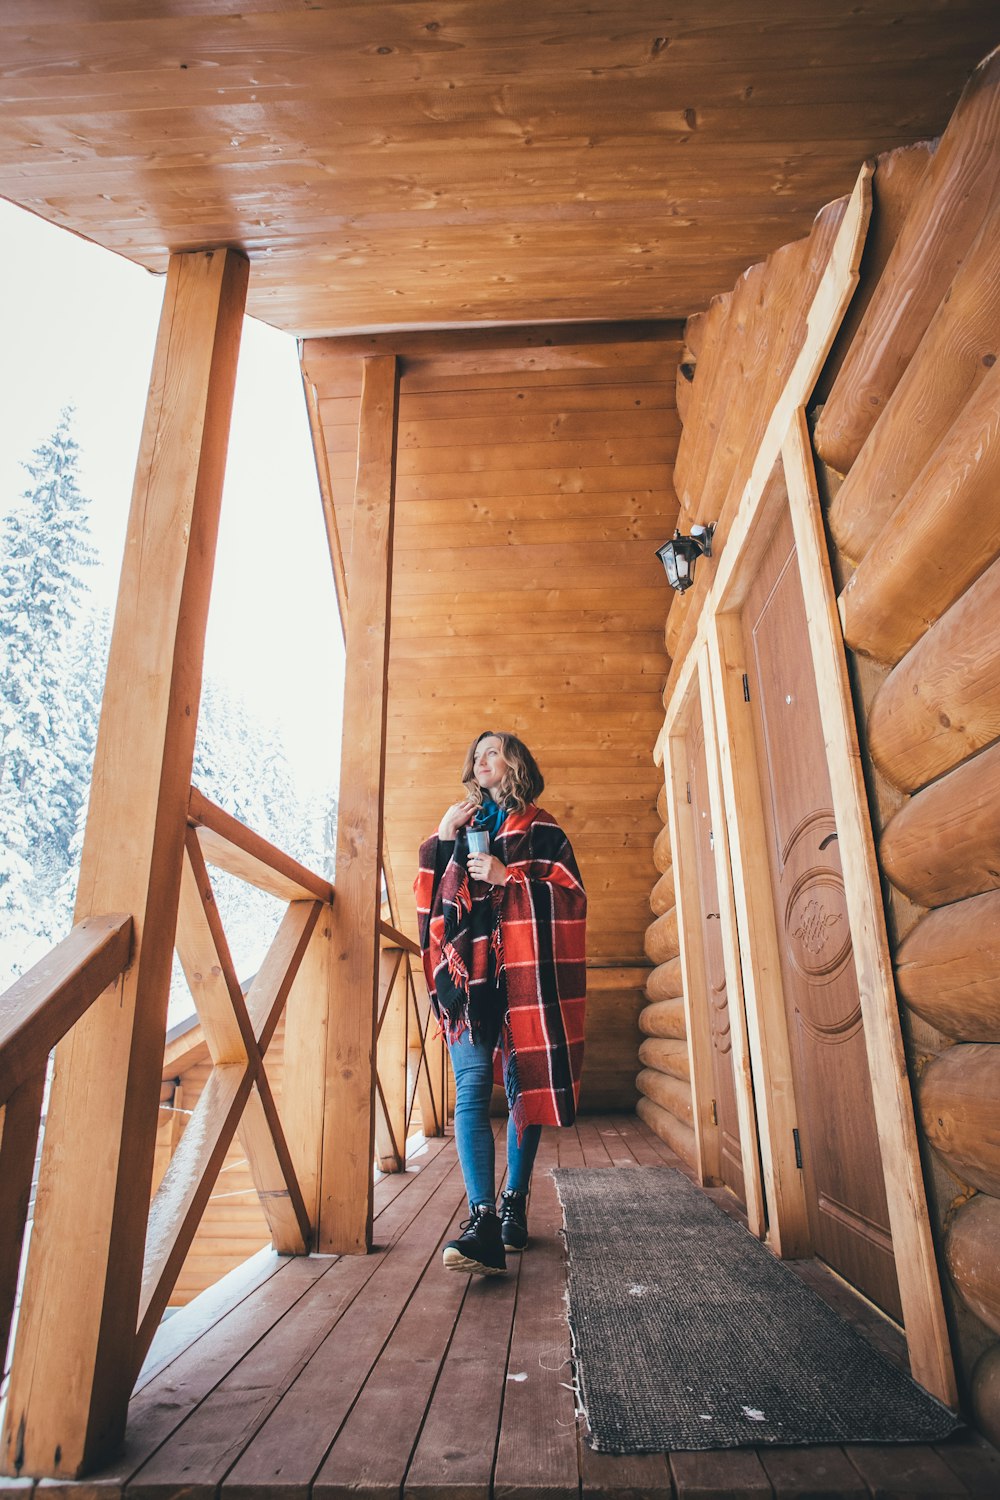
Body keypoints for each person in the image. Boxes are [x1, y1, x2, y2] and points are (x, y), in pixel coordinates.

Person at [414, 731, 587, 1276]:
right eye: (476, 754)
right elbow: (432, 902)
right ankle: (483, 1218)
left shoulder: (541, 826)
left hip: (523, 977)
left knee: (522, 1086)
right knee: (469, 1090)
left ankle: (514, 1200)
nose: (480, 760)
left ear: (514, 763)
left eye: (492, 752)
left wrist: (508, 877)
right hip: (469, 977)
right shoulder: (461, 822)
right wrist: (443, 839)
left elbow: (571, 895)